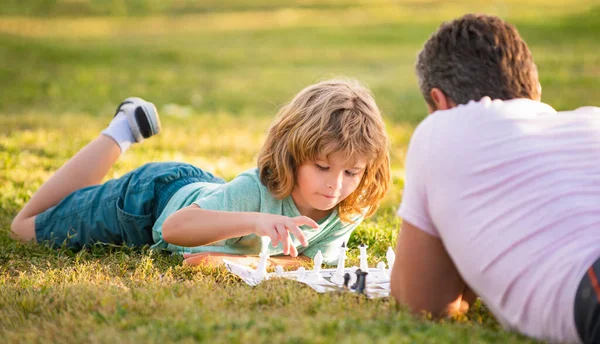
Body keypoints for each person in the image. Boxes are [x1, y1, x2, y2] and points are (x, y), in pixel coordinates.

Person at [10, 79, 391, 269]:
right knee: (24, 229)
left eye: (352, 172)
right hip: (147, 202)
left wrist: (230, 262)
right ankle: (122, 131)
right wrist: (256, 221)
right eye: (322, 167)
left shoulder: (345, 209)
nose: (335, 185)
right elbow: (176, 228)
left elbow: (309, 264)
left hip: (200, 191)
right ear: (292, 155)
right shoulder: (255, 191)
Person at [389, 13, 600, 344]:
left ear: (440, 102)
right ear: (535, 89)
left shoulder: (442, 130)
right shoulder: (592, 122)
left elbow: (423, 303)